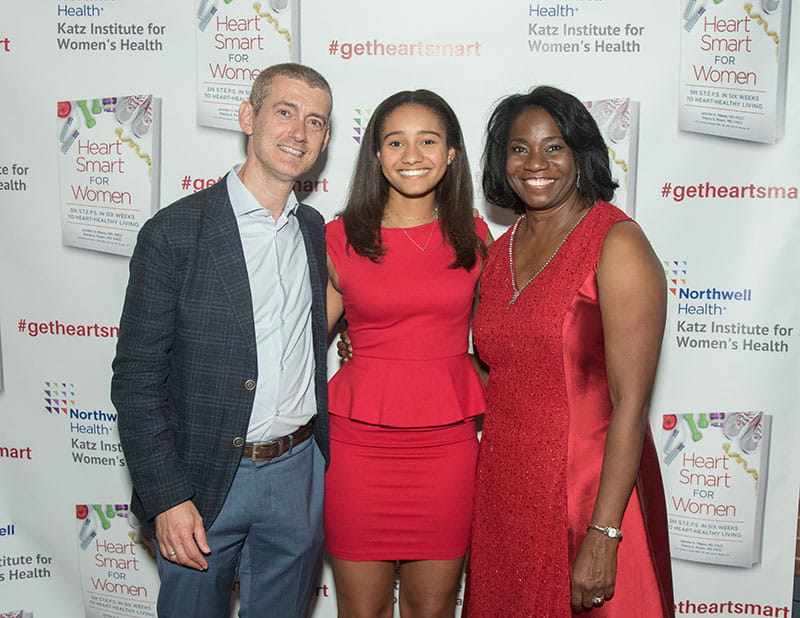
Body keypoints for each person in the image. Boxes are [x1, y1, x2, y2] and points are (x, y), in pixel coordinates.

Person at [111, 63, 332, 618]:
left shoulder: (313, 231)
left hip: (298, 471)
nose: (299, 133)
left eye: (316, 122)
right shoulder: (175, 232)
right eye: (284, 113)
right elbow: (136, 378)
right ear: (247, 118)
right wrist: (166, 496)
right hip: (202, 480)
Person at [463, 86, 674, 617]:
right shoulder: (500, 249)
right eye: (518, 149)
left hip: (585, 491)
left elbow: (630, 403)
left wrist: (605, 533)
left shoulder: (617, 243)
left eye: (553, 147)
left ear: (581, 155)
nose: (536, 163)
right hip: (504, 490)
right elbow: (502, 373)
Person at [324, 90, 490, 618]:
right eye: (395, 141)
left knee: (433, 608)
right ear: (376, 153)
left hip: (447, 448)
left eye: (428, 141)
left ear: (451, 154)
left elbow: (501, 341)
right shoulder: (338, 237)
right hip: (358, 446)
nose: (412, 154)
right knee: (361, 609)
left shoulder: (476, 235)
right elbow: (300, 343)